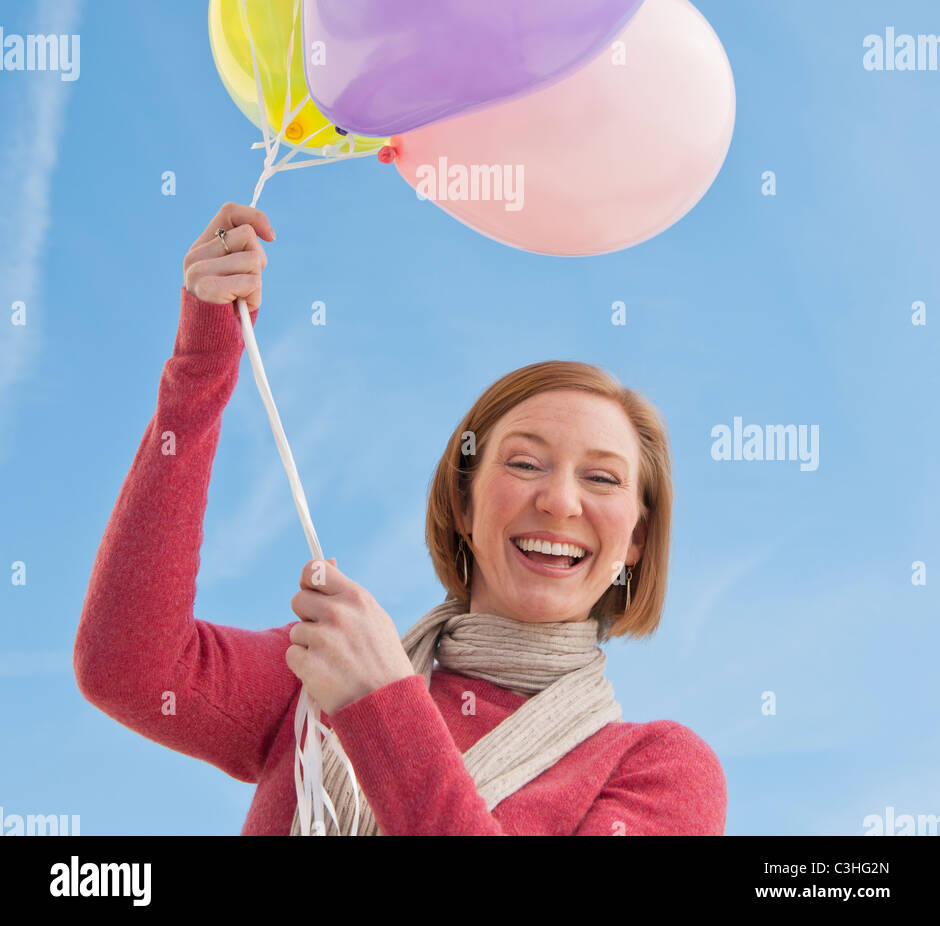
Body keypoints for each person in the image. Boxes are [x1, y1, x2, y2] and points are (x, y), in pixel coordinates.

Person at [74, 202, 726, 836]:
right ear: (464, 506)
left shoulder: (659, 769)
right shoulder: (324, 668)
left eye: (602, 478)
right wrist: (202, 364)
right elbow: (128, 668)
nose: (559, 501)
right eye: (525, 464)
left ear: (637, 539)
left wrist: (381, 705)